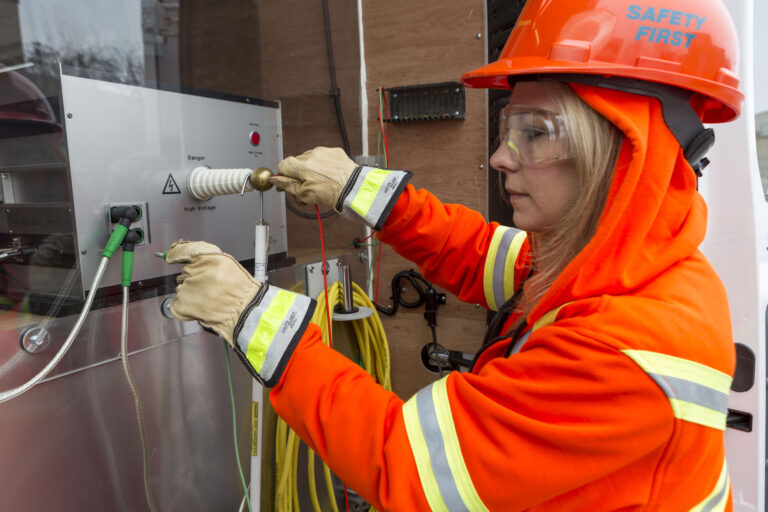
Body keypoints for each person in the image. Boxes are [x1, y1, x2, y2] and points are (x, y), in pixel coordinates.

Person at [165, 0, 742, 509]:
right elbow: (481, 253)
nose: (500, 157)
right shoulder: (618, 264)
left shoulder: (632, 343)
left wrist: (250, 317)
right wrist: (354, 187)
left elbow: (408, 467)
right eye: (507, 127)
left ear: (622, 151)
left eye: (535, 131)